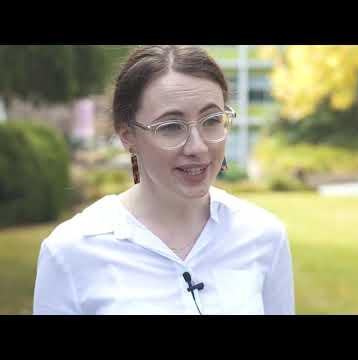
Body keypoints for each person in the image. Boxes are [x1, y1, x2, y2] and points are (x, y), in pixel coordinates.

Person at [33, 45, 295, 315]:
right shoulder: (71, 251)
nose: (198, 147)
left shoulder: (263, 235)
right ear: (127, 136)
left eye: (212, 120)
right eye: (170, 126)